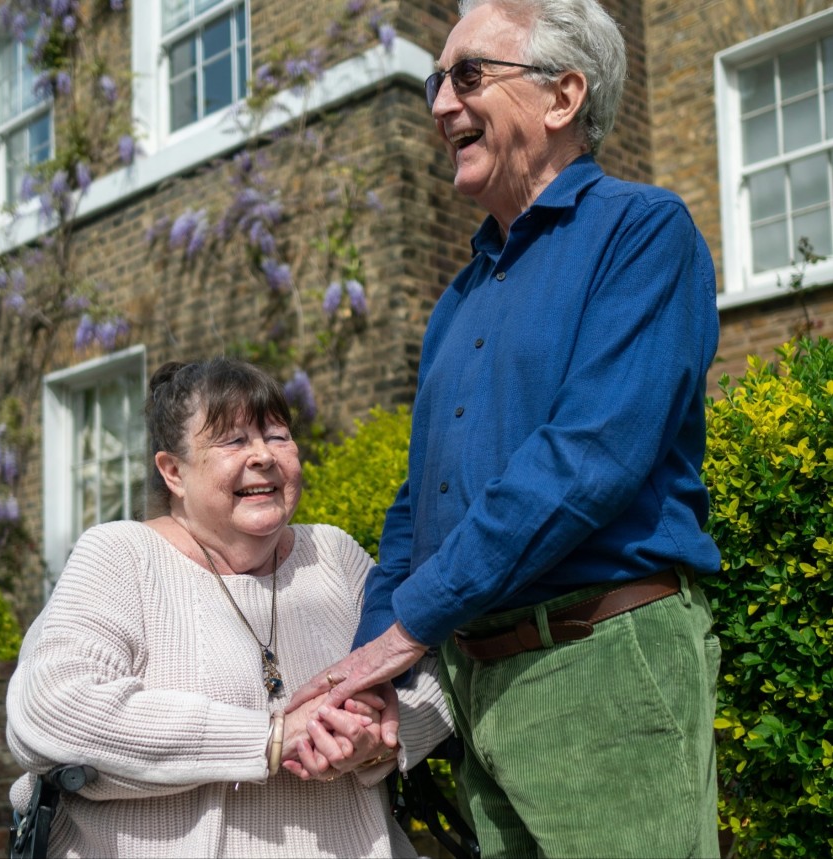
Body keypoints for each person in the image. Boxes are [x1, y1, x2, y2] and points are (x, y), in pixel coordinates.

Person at [288, 1, 723, 856]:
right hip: (477, 681)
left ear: (563, 96)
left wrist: (408, 629)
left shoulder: (642, 232)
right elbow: (419, 505)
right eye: (434, 82)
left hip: (601, 664)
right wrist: (374, 670)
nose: (441, 104)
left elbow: (587, 458)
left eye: (467, 75)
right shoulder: (456, 299)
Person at [6, 357, 452, 858]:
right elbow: (51, 711)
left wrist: (384, 736)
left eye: (277, 436)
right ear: (173, 472)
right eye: (233, 441)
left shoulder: (333, 554)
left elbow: (437, 670)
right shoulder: (121, 557)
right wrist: (272, 737)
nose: (262, 455)